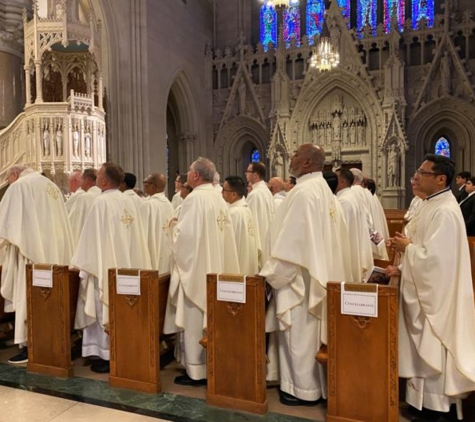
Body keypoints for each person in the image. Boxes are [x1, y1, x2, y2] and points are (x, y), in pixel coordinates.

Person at [389, 154, 475, 417]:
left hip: (437, 296)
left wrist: (409, 249)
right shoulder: (429, 205)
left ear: (441, 179)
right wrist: (404, 258)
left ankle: (438, 408)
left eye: (423, 173)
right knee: (420, 351)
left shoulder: (446, 210)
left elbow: (437, 260)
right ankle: (423, 404)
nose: (416, 177)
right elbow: (424, 248)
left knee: (434, 346)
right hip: (423, 289)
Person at [260, 144, 346, 406]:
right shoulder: (324, 191)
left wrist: (271, 276)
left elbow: (292, 246)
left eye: (296, 155)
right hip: (317, 273)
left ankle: (302, 389)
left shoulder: (303, 193)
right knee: (307, 335)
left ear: (307, 163)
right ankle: (313, 386)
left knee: (298, 334)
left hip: (299, 278)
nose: (291, 158)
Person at [164, 157, 239, 386]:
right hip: (215, 267)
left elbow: (185, 239)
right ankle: (212, 366)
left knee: (195, 316)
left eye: (188, 171)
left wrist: (173, 227)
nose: (187, 174)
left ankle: (196, 371)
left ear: (196, 175)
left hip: (197, 270)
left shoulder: (194, 199)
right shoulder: (218, 198)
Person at [72, 163, 151, 374]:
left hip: (105, 267)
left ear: (104, 181)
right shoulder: (129, 201)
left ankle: (106, 354)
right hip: (128, 268)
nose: (96, 177)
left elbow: (89, 239)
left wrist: (81, 265)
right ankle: (122, 349)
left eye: (98, 174)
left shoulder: (101, 203)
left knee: (103, 308)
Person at [0, 166, 74, 364]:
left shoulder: (19, 187)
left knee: (28, 298)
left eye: (8, 181)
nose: (9, 185)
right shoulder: (51, 186)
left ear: (14, 175)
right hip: (54, 255)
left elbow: (4, 225)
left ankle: (28, 345)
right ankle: (50, 343)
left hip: (30, 256)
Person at [335, 168, 373, 283]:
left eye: (335, 178)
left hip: (347, 252)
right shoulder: (351, 196)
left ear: (342, 182)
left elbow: (341, 234)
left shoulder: (344, 201)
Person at [222, 176, 259, 275]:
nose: (221, 193)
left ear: (234, 194)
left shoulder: (233, 213)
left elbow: (228, 244)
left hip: (237, 263)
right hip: (246, 261)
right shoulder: (246, 209)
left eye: (224, 190)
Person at [140, 173, 175, 274]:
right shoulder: (168, 204)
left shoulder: (148, 205)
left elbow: (141, 234)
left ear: (153, 186)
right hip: (167, 251)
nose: (143, 184)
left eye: (145, 182)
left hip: (152, 251)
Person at [245, 161, 275, 269]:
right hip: (267, 237)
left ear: (255, 174)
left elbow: (250, 222)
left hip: (259, 237)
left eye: (247, 171)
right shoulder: (265, 191)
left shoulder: (255, 194)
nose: (245, 174)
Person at [68, 169, 101, 245]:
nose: (80, 184)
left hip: (85, 242)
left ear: (87, 181)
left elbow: (72, 224)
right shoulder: (103, 196)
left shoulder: (83, 198)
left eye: (82, 180)